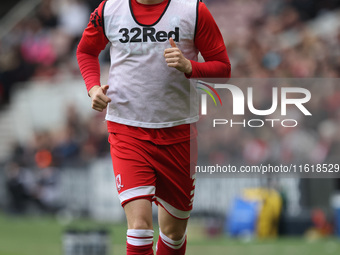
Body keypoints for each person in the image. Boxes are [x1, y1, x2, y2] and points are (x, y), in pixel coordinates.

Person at [77, 0, 231, 254]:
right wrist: (93, 87)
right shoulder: (109, 9)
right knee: (139, 228)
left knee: (173, 234)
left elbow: (223, 68)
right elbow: (85, 51)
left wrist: (190, 66)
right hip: (127, 128)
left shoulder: (193, 10)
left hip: (178, 132)